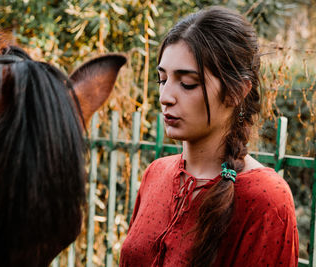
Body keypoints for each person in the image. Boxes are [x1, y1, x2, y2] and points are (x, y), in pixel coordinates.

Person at [119, 6, 298, 267]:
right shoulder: (155, 174)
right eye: (162, 79)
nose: (165, 97)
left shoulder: (266, 198)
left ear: (237, 91)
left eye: (188, 83)